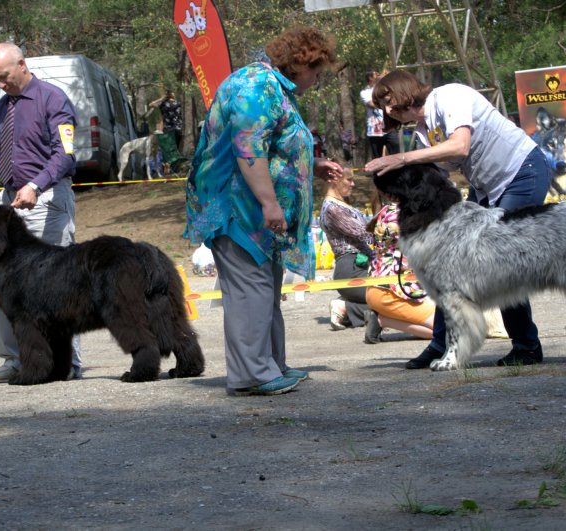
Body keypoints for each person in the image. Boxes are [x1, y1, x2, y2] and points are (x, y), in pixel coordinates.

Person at [184, 26, 342, 396]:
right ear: (302, 64)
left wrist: (310, 163)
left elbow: (273, 144)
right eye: (317, 74)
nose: (317, 82)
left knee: (265, 289)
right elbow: (248, 149)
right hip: (238, 210)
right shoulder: (256, 87)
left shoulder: (272, 86)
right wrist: (270, 202)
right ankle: (252, 374)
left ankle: (271, 365)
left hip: (253, 209)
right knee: (249, 291)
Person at [365, 70, 552, 369]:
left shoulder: (450, 96)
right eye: (382, 105)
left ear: (405, 89)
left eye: (388, 100)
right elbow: (436, 180)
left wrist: (401, 159)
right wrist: (393, 186)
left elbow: (459, 146)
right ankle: (440, 344)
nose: (387, 110)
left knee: (502, 261)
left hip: (522, 172)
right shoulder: (423, 132)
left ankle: (526, 345)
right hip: (486, 186)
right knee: (446, 267)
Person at [0, 42, 82, 382]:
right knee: (1, 282)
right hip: (9, 204)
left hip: (47, 200)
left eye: (4, 77)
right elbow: (9, 153)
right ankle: (15, 359)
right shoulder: (1, 107)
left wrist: (35, 185)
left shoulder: (53, 99)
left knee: (55, 286)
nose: (0, 85)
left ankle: (66, 363)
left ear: (22, 65)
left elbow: (64, 155)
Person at [363, 201, 435, 344]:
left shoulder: (386, 210)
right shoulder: (403, 215)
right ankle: (381, 320)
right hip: (392, 292)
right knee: (442, 330)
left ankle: (381, 318)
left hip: (376, 287)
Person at [319, 167, 374, 331]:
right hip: (352, 268)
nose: (353, 184)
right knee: (392, 297)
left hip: (362, 264)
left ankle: (348, 309)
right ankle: (345, 308)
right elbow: (363, 233)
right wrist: (390, 229)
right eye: (348, 180)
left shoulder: (341, 204)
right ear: (334, 180)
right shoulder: (331, 209)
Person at [360, 71, 399, 160]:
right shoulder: (365, 92)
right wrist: (386, 104)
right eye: (376, 74)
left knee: (396, 155)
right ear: (370, 78)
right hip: (375, 129)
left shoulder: (385, 89)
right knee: (377, 158)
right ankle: (378, 174)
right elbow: (371, 104)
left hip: (389, 127)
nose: (379, 75)